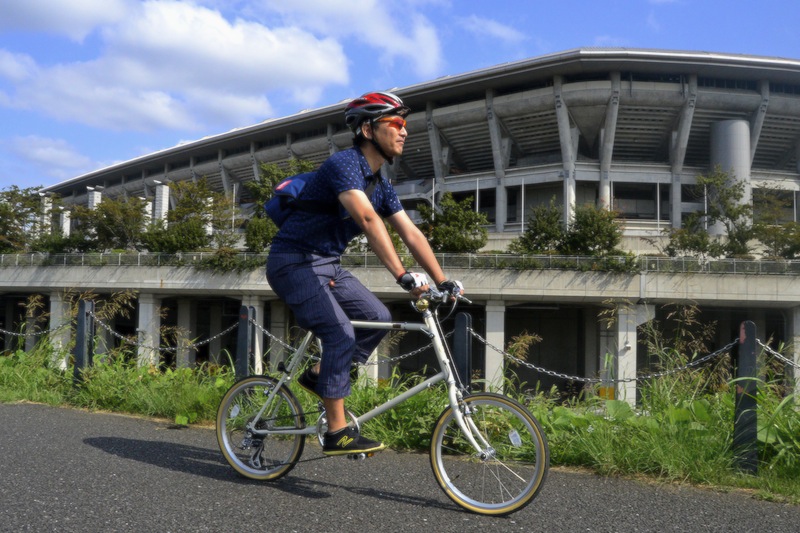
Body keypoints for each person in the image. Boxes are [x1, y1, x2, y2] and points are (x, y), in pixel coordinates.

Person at [266, 91, 464, 456]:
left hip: (327, 265)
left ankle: (320, 376)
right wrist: (402, 275)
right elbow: (368, 220)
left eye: (406, 125)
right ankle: (335, 433)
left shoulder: (381, 183)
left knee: (377, 317)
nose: (404, 132)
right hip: (293, 262)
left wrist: (442, 281)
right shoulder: (344, 164)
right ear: (369, 130)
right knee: (341, 332)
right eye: (397, 124)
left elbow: (411, 232)